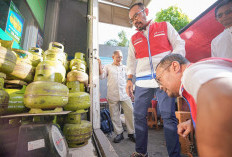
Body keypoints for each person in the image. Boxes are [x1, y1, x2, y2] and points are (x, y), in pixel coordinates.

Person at [126, 3, 185, 157]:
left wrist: (172, 66)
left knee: (168, 116)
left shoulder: (164, 26)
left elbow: (179, 44)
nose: (135, 21)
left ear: (146, 11)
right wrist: (129, 79)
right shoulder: (133, 38)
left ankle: (174, 154)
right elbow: (130, 60)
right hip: (142, 82)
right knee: (138, 115)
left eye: (136, 15)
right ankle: (141, 152)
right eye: (132, 19)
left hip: (164, 80)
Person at [155, 53, 232, 157]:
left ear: (175, 67)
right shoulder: (203, 68)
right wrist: (196, 120)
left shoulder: (190, 74)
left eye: (159, 79)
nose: (160, 87)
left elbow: (221, 98)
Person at [98, 50, 135, 143]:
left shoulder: (125, 68)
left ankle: (131, 133)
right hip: (112, 94)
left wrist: (131, 92)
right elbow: (102, 76)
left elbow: (129, 81)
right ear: (113, 57)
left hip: (125, 94)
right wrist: (99, 65)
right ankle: (119, 133)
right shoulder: (108, 67)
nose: (120, 59)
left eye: (121, 57)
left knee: (130, 112)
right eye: (118, 57)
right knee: (115, 115)